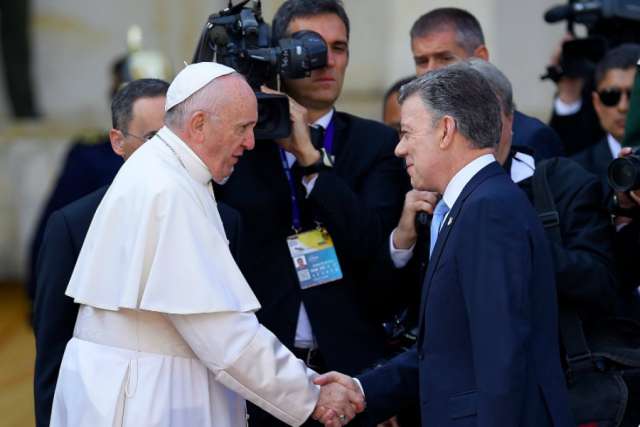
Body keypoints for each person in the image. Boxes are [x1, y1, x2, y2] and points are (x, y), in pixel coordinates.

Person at [50, 62, 364, 427]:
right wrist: (312, 393)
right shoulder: (167, 189)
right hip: (147, 400)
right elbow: (224, 334)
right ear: (198, 124)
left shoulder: (170, 174)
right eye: (242, 128)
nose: (250, 143)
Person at [317, 63, 574, 426]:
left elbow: (502, 357)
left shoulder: (488, 210)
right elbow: (447, 349)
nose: (399, 149)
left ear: (446, 131)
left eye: (407, 133)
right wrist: (364, 390)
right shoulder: (472, 204)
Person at [215, 2, 406, 425]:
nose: (327, 61)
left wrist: (310, 161)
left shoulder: (376, 144)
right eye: (310, 47)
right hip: (255, 375)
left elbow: (371, 246)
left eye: (339, 48)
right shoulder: (239, 146)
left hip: (349, 375)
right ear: (276, 52)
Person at [32, 78, 170, 427]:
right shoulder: (73, 226)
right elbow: (54, 349)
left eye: (175, 136)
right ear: (118, 141)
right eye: (154, 139)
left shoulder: (224, 220)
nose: (168, 150)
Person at [409, 7, 564, 160]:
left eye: (445, 58)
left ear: (480, 57)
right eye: (422, 61)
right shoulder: (415, 139)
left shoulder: (531, 137)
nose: (431, 71)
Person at [572, 43, 640, 198]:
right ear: (596, 103)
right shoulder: (576, 172)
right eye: (610, 96)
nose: (623, 107)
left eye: (635, 95)